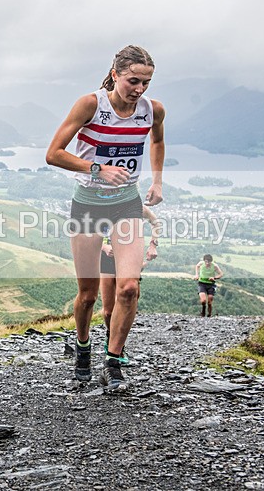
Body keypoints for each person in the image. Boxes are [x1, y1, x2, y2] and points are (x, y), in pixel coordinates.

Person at [46, 45, 166, 393]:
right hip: (88, 204)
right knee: (87, 294)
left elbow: (157, 140)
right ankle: (83, 345)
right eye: (133, 81)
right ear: (115, 75)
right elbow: (53, 154)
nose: (139, 89)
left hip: (126, 204)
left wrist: (157, 181)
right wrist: (97, 168)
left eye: (146, 82)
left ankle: (112, 362)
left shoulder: (152, 110)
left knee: (129, 287)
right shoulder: (90, 105)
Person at [99, 205, 160, 365]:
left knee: (128, 295)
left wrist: (153, 245)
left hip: (128, 255)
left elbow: (156, 222)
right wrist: (104, 247)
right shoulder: (101, 204)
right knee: (107, 311)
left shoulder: (137, 206)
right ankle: (110, 335)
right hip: (106, 257)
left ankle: (117, 347)